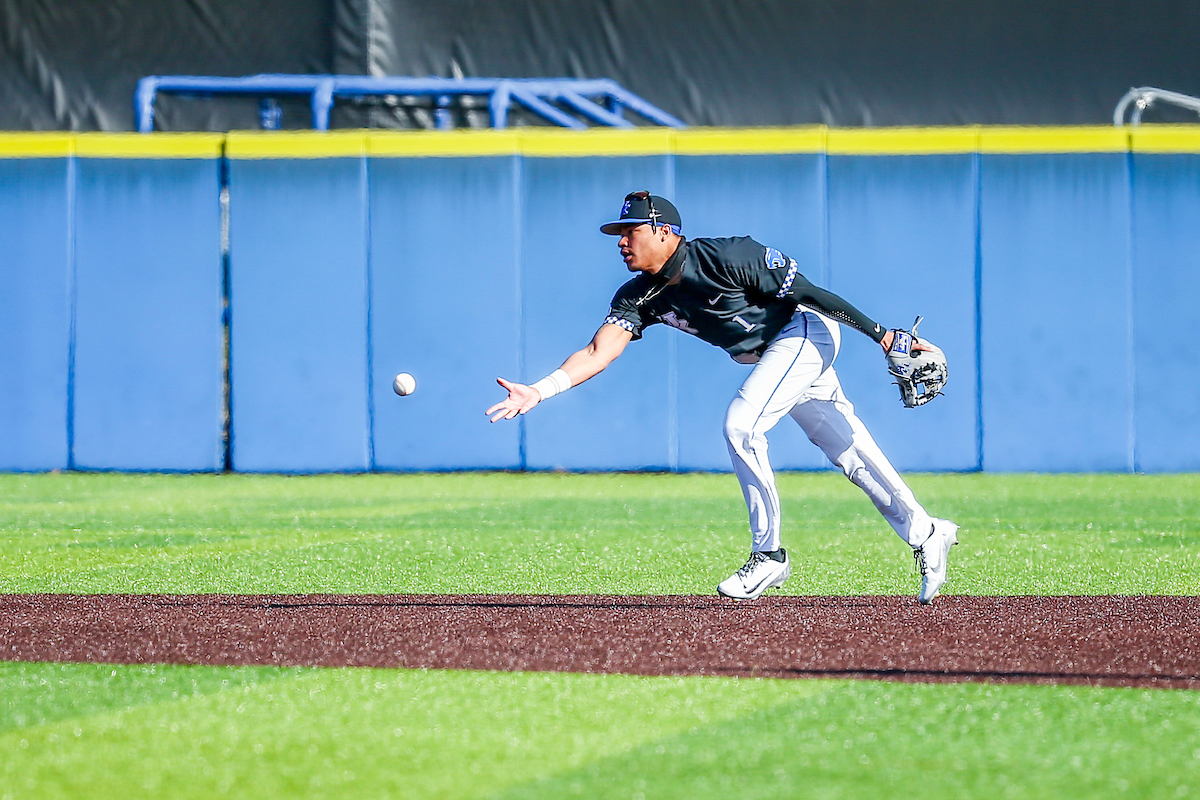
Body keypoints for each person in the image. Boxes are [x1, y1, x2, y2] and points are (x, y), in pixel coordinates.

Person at [486, 191, 958, 604]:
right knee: (848, 450)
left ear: (664, 231)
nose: (621, 241)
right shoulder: (638, 295)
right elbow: (598, 349)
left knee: (742, 424)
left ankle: (768, 554)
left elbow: (810, 294)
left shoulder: (728, 256)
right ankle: (926, 530)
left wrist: (880, 335)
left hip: (802, 332)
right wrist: (542, 389)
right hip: (771, 357)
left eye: (630, 229)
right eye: (618, 232)